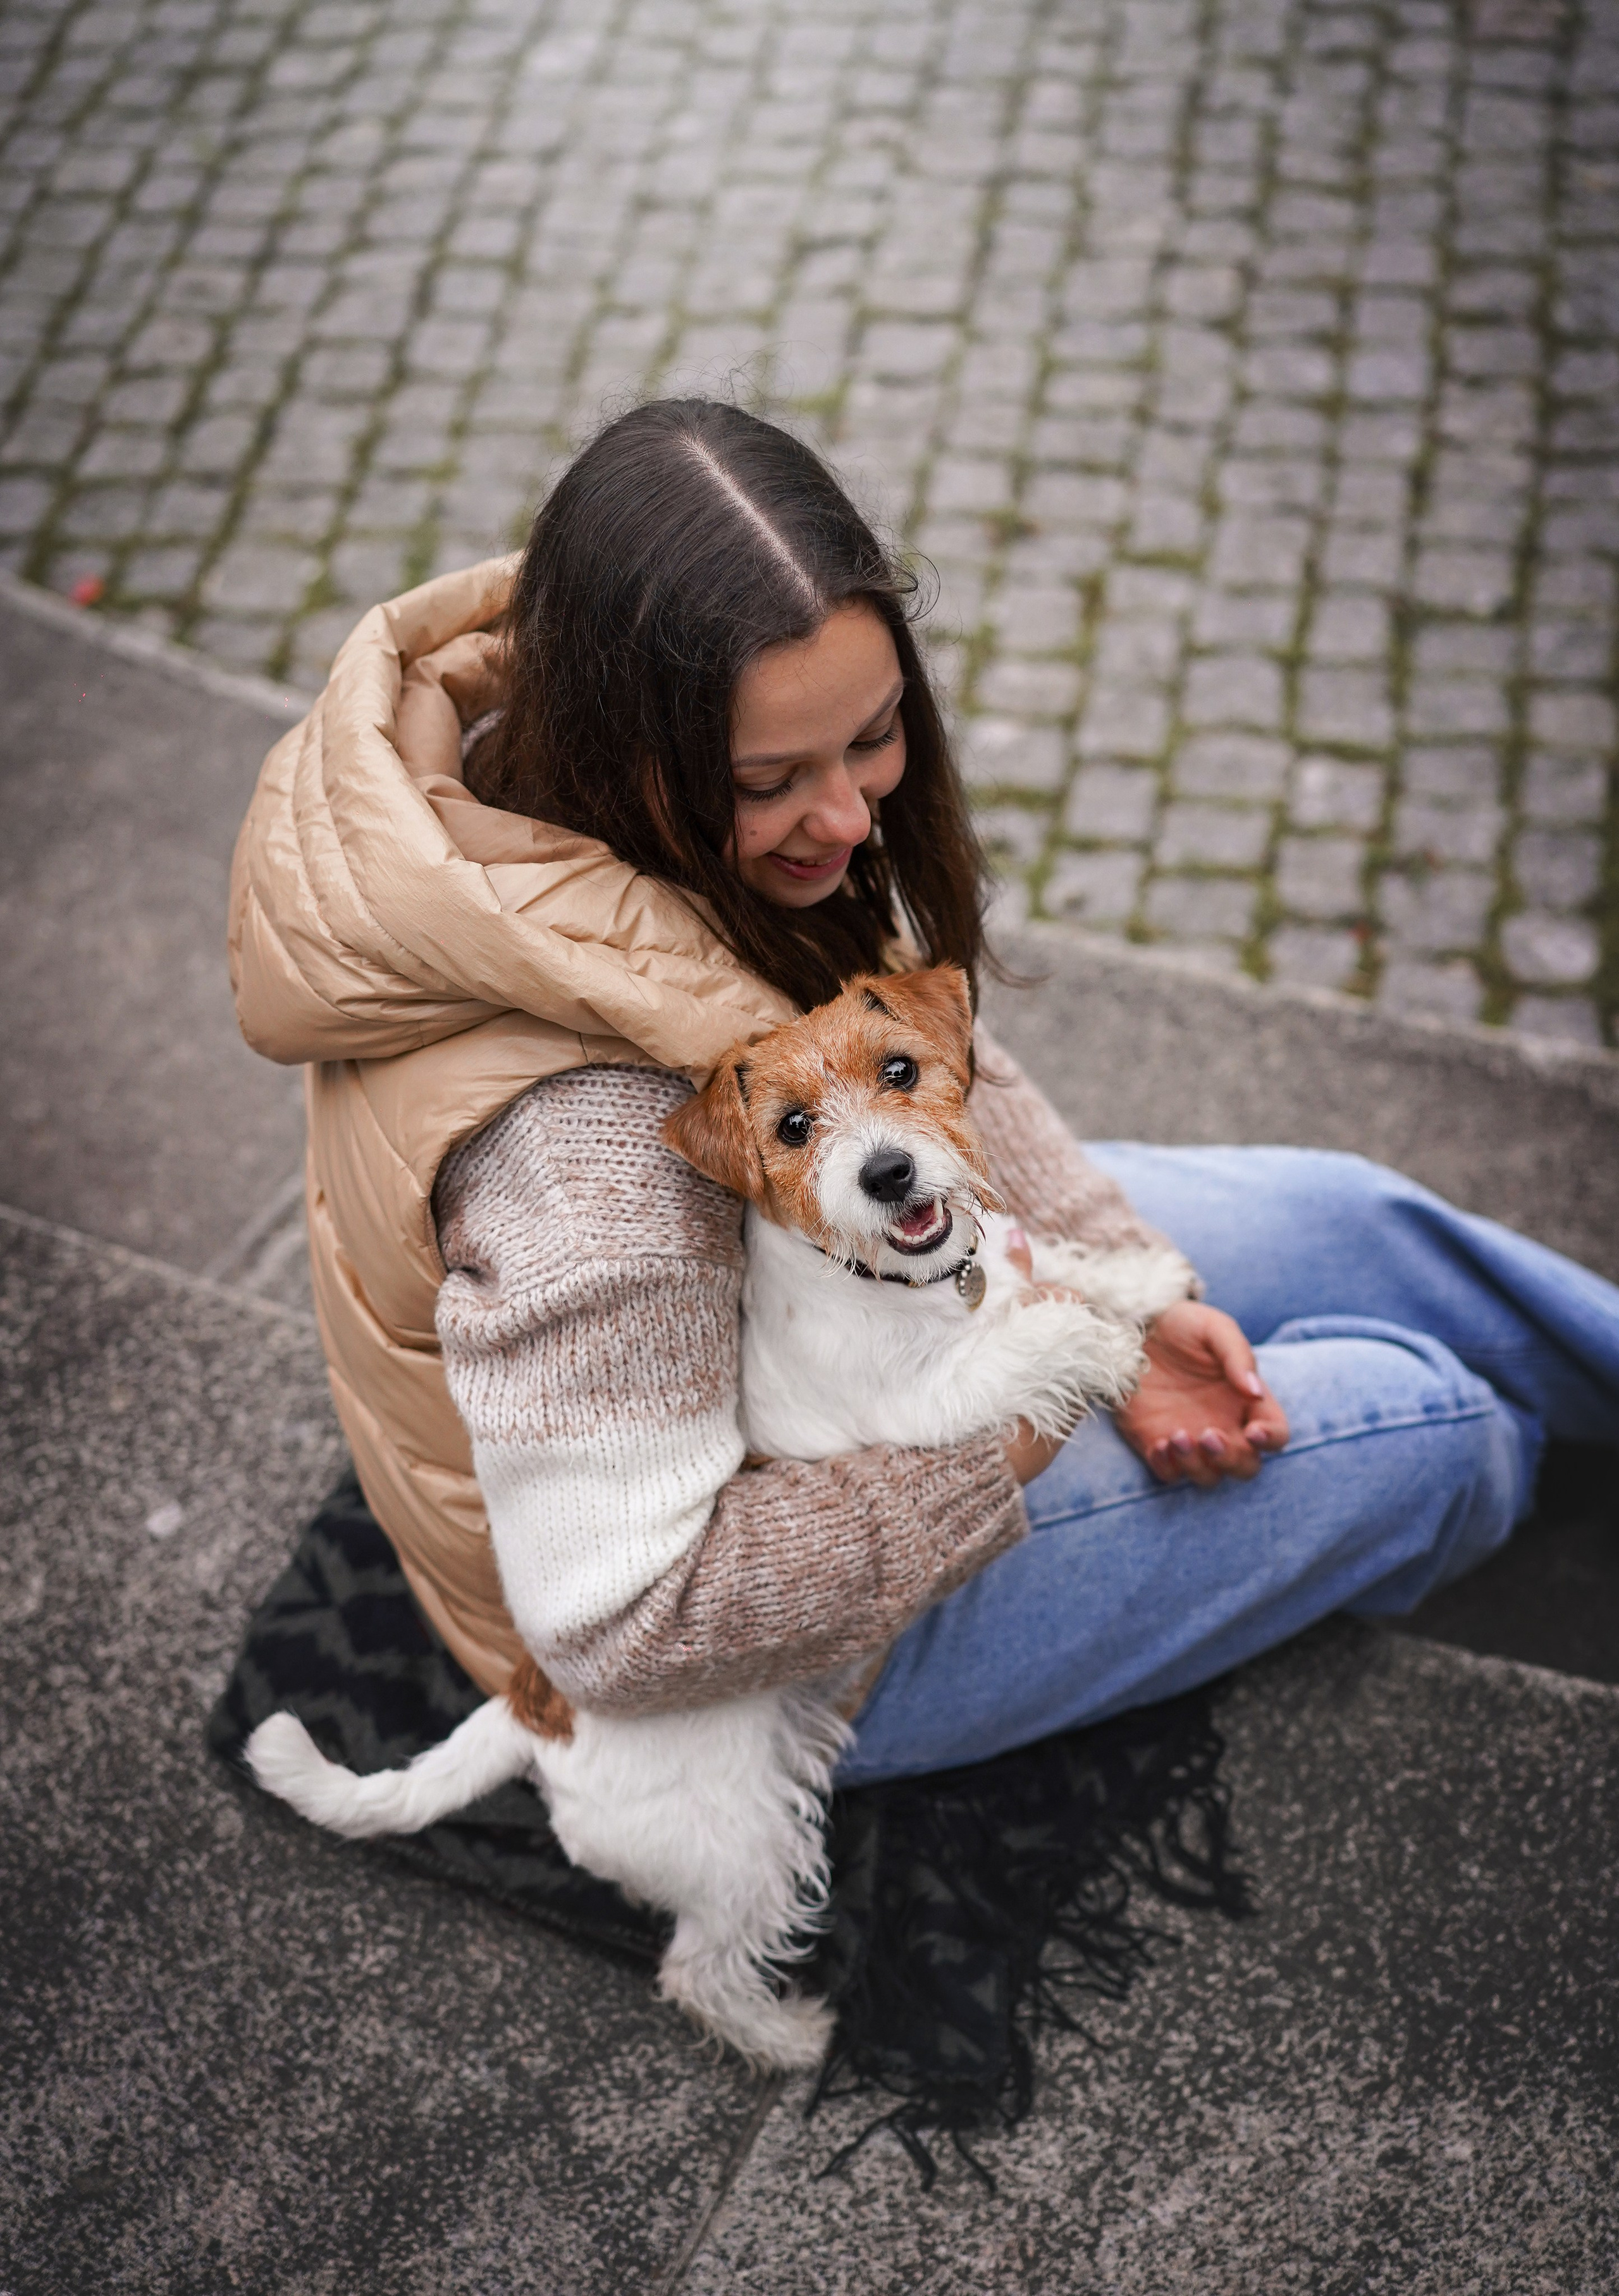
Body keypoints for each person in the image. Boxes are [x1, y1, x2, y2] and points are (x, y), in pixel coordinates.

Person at [230, 398, 1619, 1793]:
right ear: (624, 745)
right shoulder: (593, 1157)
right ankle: (1502, 1506)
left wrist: (1128, 1283)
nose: (849, 821)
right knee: (1431, 1427)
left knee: (1350, 1216)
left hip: (844, 1321)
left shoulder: (627, 830)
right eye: (771, 779)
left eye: (875, 737)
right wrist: (1028, 1419)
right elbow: (624, 1626)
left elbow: (931, 1061)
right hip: (773, 1676)